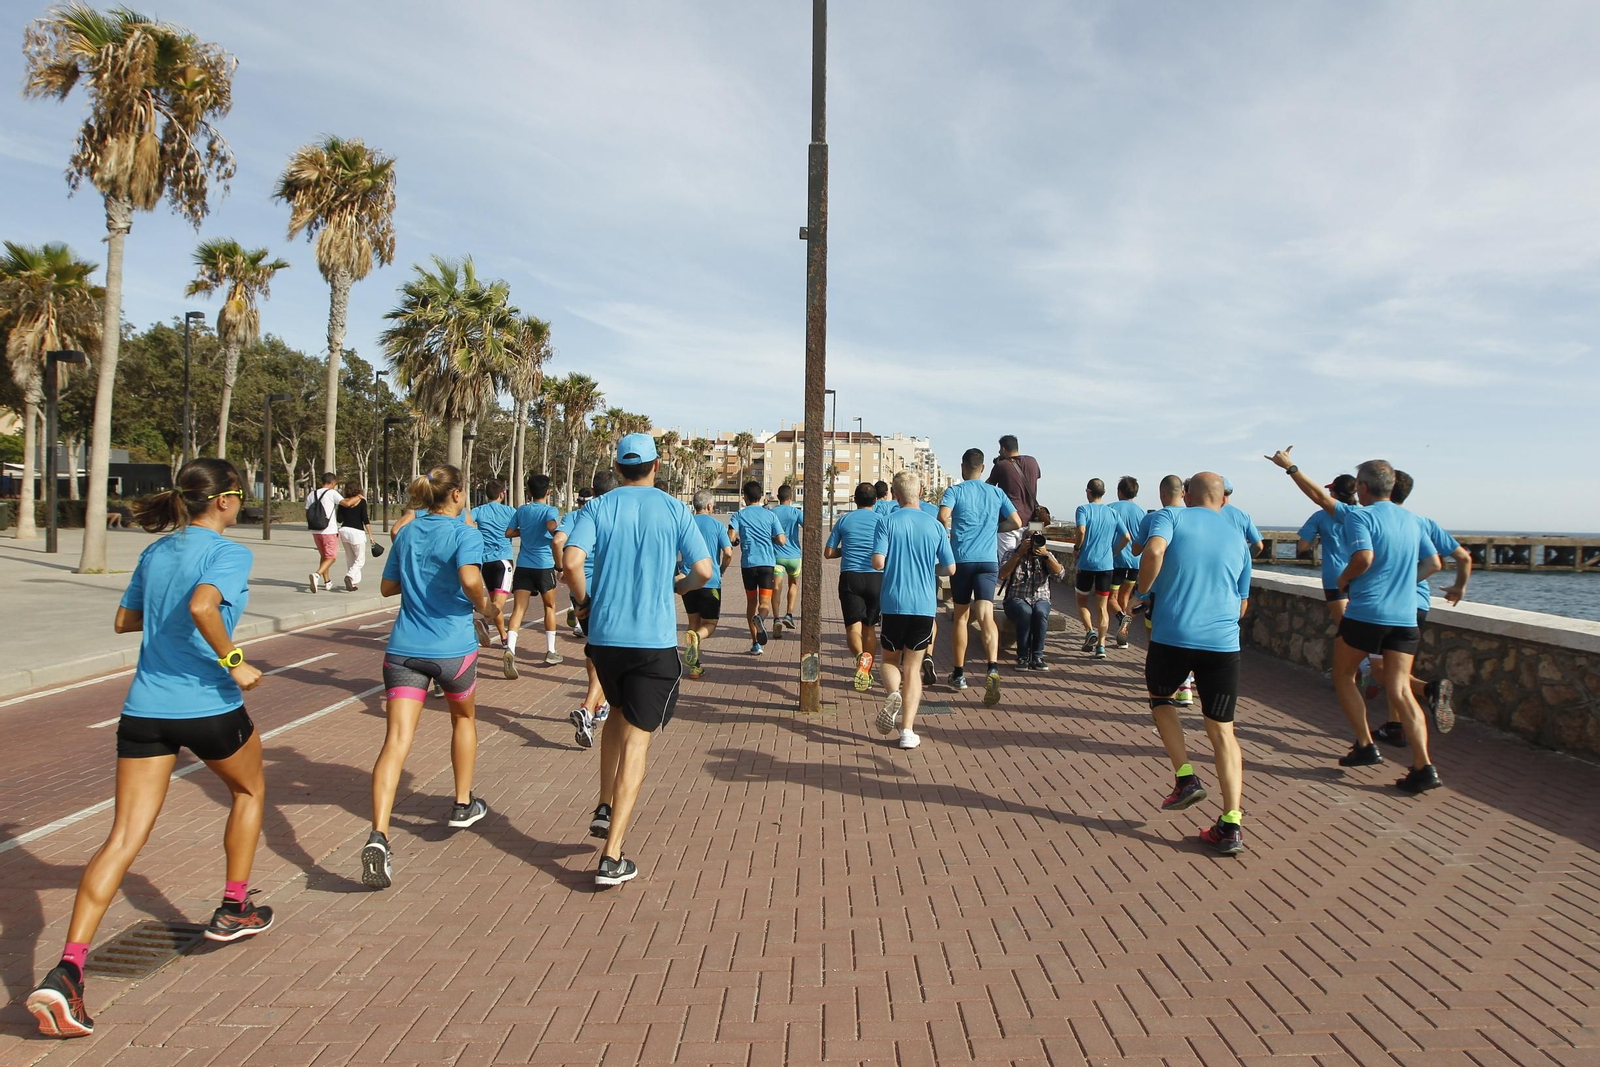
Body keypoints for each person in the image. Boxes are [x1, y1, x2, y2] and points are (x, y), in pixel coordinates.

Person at [28, 459, 271, 1039]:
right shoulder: (229, 552)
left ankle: (68, 972)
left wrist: (162, 611)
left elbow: (124, 620)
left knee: (122, 837)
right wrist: (235, 663)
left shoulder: (156, 552)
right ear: (224, 501)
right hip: (207, 705)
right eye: (240, 495)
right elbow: (202, 608)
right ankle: (234, 906)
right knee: (250, 789)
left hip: (144, 712)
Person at [564, 434, 712, 886]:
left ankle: (605, 805)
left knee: (618, 714)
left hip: (605, 638)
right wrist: (680, 588)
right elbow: (704, 570)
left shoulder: (598, 507)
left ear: (618, 465)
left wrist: (584, 603)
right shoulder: (674, 509)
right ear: (656, 464)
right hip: (652, 640)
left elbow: (571, 562)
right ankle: (612, 856)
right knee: (639, 741)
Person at [1267, 450, 1443, 790]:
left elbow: (1361, 553)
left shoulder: (1361, 517)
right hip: (1405, 617)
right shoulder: (1415, 520)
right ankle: (1424, 767)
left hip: (1367, 613)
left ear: (1362, 487)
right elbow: (1434, 563)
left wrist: (1345, 579)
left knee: (1344, 675)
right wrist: (1404, 583)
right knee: (1400, 689)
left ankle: (1365, 744)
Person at [361, 465, 499, 890]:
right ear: (457, 495)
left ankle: (378, 834)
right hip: (452, 650)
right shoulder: (464, 533)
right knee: (463, 720)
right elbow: (471, 578)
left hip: (404, 649)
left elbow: (387, 588)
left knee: (396, 741)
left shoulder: (407, 533)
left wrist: (421, 581)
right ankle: (462, 802)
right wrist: (487, 608)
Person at [1134, 472, 1253, 855]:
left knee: (1161, 699)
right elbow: (1242, 603)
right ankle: (1231, 823)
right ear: (1222, 499)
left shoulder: (1172, 516)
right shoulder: (1238, 536)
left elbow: (1153, 552)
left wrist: (1142, 591)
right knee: (1223, 730)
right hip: (1222, 644)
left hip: (1174, 636)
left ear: (1186, 495)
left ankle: (1185, 777)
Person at [1371, 470, 1471, 743]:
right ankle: (1394, 725)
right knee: (1397, 668)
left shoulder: (1380, 520)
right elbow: (1463, 557)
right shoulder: (1424, 522)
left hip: (1388, 605)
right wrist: (1459, 587)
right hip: (1419, 605)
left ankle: (1429, 689)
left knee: (1384, 671)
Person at [872, 471, 956, 749]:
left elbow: (877, 562)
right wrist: (930, 566)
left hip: (894, 603)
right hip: (923, 606)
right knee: (914, 667)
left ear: (895, 495)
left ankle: (892, 693)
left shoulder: (886, 522)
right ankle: (907, 732)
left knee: (888, 661)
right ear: (920, 492)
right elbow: (950, 568)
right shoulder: (934, 526)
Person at [939, 448, 1021, 703]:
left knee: (962, 617)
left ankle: (959, 673)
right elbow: (1017, 522)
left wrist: (948, 534)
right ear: (983, 468)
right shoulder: (996, 493)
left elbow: (943, 516)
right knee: (986, 616)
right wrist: (996, 528)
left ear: (963, 467)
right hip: (988, 561)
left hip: (962, 560)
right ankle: (992, 667)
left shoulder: (955, 491)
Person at [555, 473, 618, 742]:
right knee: (609, 655)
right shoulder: (614, 514)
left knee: (595, 648)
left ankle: (596, 707)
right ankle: (590, 707)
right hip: (608, 591)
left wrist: (562, 568)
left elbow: (558, 541)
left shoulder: (574, 516)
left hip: (580, 590)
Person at [1131, 474, 1192, 705]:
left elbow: (1137, 550)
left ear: (1161, 494)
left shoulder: (1155, 518)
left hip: (1158, 589)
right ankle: (1185, 683)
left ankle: (1165, 681)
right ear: (1184, 494)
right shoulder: (1196, 518)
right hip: (1188, 587)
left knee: (1157, 637)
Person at [826, 482, 885, 692]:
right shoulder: (882, 520)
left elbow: (828, 553)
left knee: (853, 627)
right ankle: (866, 671)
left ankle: (860, 659)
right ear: (876, 500)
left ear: (854, 499)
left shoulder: (845, 520)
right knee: (869, 628)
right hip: (876, 577)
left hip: (850, 577)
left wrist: (846, 550)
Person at [504, 473, 563, 677]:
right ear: (548, 492)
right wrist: (556, 532)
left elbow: (509, 533)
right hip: (544, 566)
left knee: (518, 609)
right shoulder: (550, 510)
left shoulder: (522, 510)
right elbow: (550, 525)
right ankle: (551, 650)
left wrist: (526, 531)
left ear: (529, 492)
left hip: (524, 566)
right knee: (550, 607)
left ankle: (510, 648)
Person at [1000, 506, 1065, 670]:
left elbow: (1060, 574)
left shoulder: (1045, 555)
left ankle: (1037, 656)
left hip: (1040, 598)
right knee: (1025, 612)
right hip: (1016, 599)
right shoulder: (1011, 553)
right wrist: (1019, 554)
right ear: (1023, 540)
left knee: (1041, 611)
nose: (1033, 544)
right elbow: (1002, 575)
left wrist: (1045, 556)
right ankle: (1022, 656)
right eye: (1029, 540)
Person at [1074, 478, 1132, 661]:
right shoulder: (1113, 513)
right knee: (1102, 607)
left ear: (1088, 492)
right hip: (1106, 566)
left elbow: (1081, 530)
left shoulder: (1083, 509)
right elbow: (1126, 536)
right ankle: (1101, 645)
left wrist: (1077, 548)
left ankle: (1090, 630)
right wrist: (1113, 552)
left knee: (1082, 602)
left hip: (1086, 564)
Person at [728, 479, 786, 654]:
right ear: (761, 497)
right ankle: (760, 618)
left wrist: (737, 540)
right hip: (767, 565)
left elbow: (731, 537)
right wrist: (770, 538)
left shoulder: (739, 515)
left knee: (751, 602)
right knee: (765, 602)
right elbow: (782, 540)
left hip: (749, 565)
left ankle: (755, 643)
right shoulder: (770, 515)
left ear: (745, 497)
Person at [1294, 474, 1361, 625]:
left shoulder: (1319, 516)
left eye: (1331, 492)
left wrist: (1318, 539)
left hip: (1335, 576)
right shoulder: (1363, 513)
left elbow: (1302, 546)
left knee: (1345, 628)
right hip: (1361, 574)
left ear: (1335, 494)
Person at [683, 490, 734, 679]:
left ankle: (695, 667)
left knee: (693, 622)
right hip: (710, 581)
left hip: (688, 580)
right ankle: (698, 638)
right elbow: (728, 553)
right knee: (710, 623)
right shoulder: (717, 526)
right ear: (710, 506)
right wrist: (721, 570)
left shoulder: (686, 524)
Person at [469, 479, 516, 651]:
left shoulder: (478, 511)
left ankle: (503, 636)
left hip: (486, 563)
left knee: (495, 603)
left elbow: (464, 522)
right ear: (502, 494)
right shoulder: (510, 511)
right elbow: (522, 527)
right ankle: (484, 622)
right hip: (503, 561)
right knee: (499, 603)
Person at [987, 435, 1041, 562]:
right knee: (1031, 562)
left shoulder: (1001, 466)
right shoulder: (1033, 461)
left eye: (1000, 450)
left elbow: (988, 487)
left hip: (1009, 521)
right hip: (1033, 522)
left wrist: (999, 464)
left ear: (1003, 448)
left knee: (1007, 563)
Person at [1107, 476, 1145, 647]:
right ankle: (1123, 633)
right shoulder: (1142, 512)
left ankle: (1122, 618)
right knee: (1125, 596)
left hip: (1116, 560)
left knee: (1110, 597)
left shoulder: (1110, 509)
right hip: (1135, 561)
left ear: (1119, 491)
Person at [771, 483, 804, 632]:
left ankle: (776, 618)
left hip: (776, 556)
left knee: (777, 587)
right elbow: (808, 526)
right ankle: (789, 614)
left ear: (778, 497)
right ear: (791, 497)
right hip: (794, 556)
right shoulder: (795, 512)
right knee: (793, 584)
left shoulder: (771, 512)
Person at [306, 471, 341, 593]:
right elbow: (345, 503)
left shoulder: (312, 494)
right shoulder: (332, 493)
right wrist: (358, 497)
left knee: (324, 556)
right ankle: (317, 575)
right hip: (329, 530)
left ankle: (327, 582)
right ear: (332, 483)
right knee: (331, 557)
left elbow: (307, 510)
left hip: (316, 530)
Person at [336, 481, 373, 591]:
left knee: (350, 558)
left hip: (344, 530)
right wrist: (370, 534)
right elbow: (365, 519)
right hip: (357, 532)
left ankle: (353, 583)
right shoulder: (361, 501)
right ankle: (350, 576)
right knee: (360, 559)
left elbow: (339, 519)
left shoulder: (342, 502)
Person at [1221, 478, 1264, 556]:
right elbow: (1258, 546)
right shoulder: (1243, 516)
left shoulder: (1206, 512)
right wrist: (1245, 562)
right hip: (1236, 565)